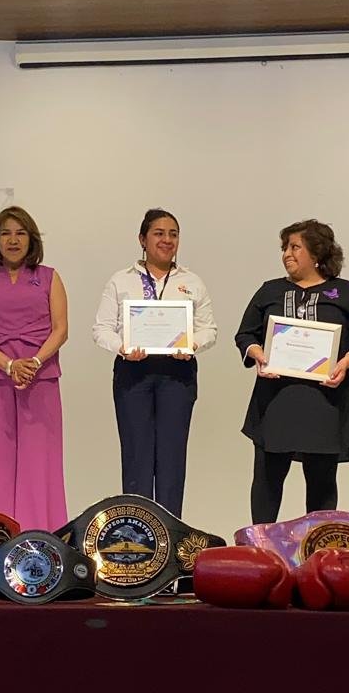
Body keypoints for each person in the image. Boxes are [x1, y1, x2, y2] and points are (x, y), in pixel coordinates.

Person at [235, 220, 349, 524]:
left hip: (325, 403)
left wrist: (346, 362)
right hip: (275, 400)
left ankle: (318, 545)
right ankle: (260, 544)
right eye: (284, 248)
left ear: (317, 252)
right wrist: (257, 353)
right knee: (267, 481)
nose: (287, 254)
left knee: (322, 483)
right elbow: (245, 335)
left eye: (295, 247)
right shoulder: (270, 291)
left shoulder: (346, 293)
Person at [91, 208, 217, 518]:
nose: (167, 240)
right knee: (137, 456)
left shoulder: (191, 281)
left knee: (172, 457)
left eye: (173, 234)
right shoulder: (121, 280)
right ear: (142, 239)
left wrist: (193, 344)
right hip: (133, 372)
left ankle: (170, 533)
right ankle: (137, 529)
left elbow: (209, 329)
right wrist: (122, 347)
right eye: (159, 233)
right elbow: (101, 328)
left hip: (178, 373)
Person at [0, 206, 69, 530]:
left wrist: (34, 362)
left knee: (41, 460)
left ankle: (42, 533)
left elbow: (61, 329)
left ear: (31, 239)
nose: (13, 240)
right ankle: (0, 536)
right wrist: (8, 365)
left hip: (40, 377)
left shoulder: (49, 277)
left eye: (20, 233)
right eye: (6, 233)